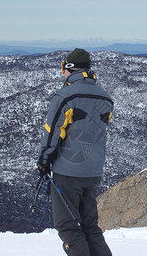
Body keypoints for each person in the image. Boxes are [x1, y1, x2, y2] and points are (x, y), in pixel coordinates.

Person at [37, 48, 113, 256]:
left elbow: (53, 133)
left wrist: (44, 161)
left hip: (68, 171)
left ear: (69, 68)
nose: (62, 73)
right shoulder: (106, 99)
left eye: (63, 68)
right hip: (93, 171)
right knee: (90, 227)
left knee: (68, 226)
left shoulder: (65, 96)